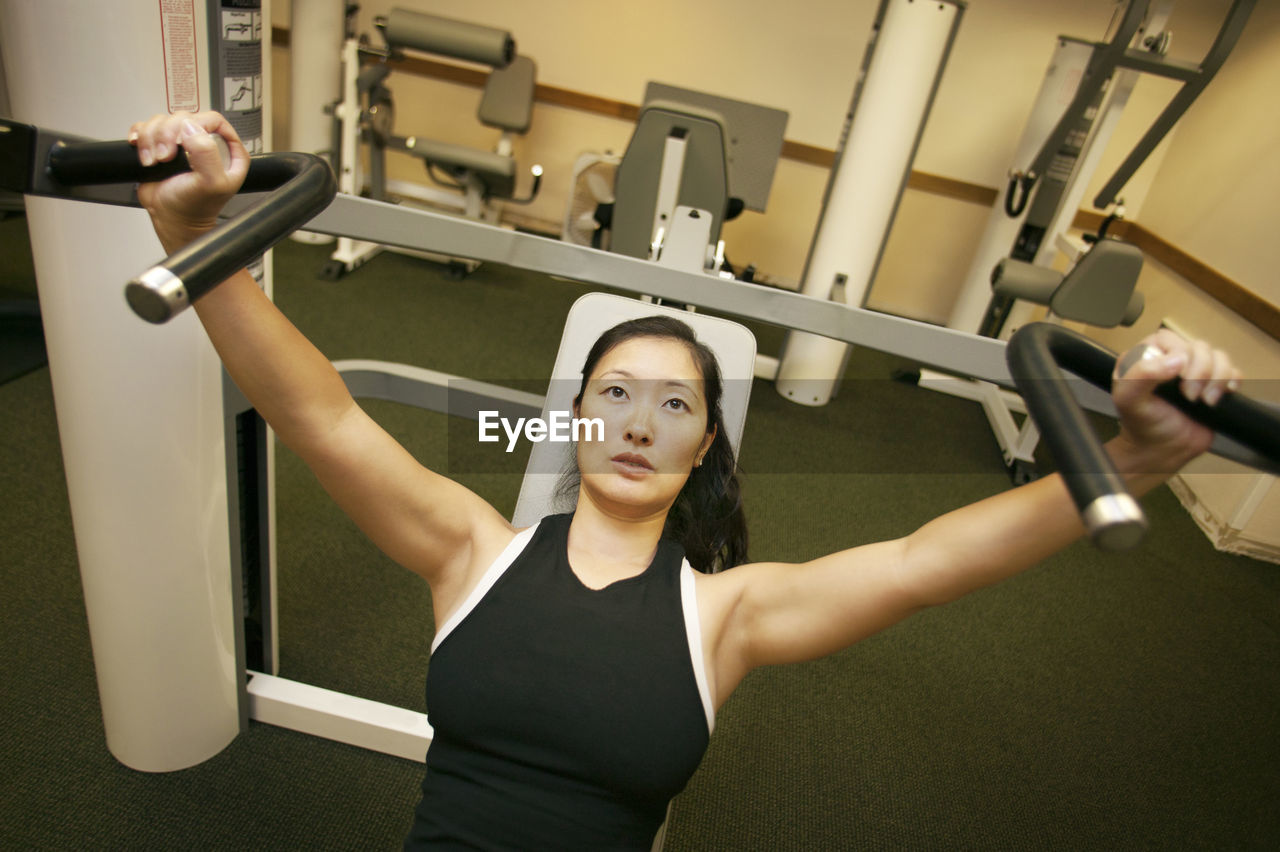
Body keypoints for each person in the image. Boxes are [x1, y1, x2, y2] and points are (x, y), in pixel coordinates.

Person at [129, 112, 1243, 850]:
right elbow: (316, 410)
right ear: (572, 419)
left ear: (705, 448)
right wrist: (197, 234)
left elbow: (922, 565)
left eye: (674, 405)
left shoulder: (727, 616)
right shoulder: (468, 547)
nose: (636, 423)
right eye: (612, 394)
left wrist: (1129, 461)